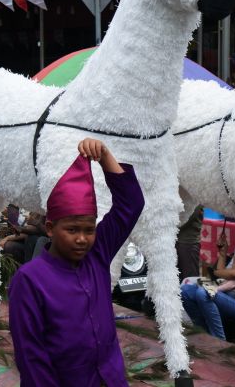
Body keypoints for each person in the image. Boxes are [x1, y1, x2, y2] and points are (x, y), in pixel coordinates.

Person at [8, 138, 144, 386]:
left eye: (89, 230)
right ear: (50, 228)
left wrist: (104, 156)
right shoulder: (29, 279)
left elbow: (131, 204)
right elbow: (31, 357)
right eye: (72, 230)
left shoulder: (97, 254)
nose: (82, 239)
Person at [181, 219, 235, 340]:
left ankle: (219, 342)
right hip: (232, 296)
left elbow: (233, 274)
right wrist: (223, 253)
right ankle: (203, 334)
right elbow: (223, 275)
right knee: (185, 290)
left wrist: (217, 273)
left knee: (203, 292)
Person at [176, 205, 203, 281]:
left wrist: (168, 227)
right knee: (179, 278)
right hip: (179, 241)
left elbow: (187, 218)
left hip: (188, 242)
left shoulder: (194, 196)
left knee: (190, 279)